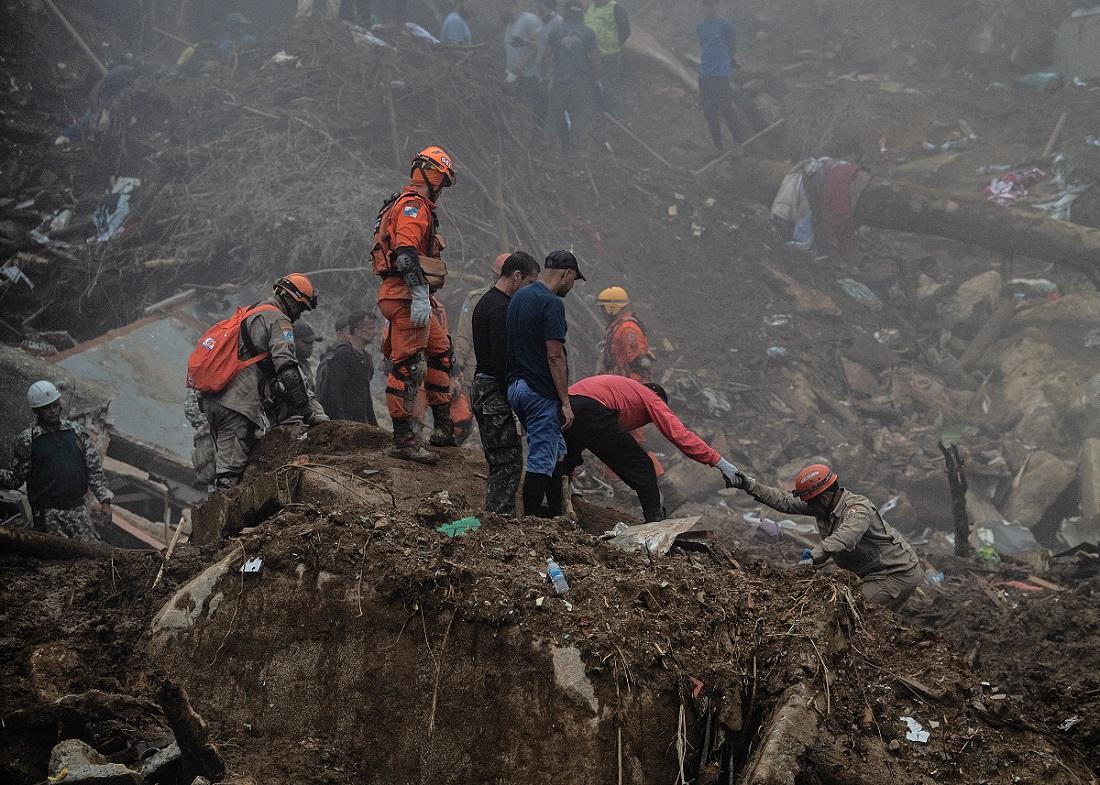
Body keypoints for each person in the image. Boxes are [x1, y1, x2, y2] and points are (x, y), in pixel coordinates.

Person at [728, 464, 923, 609]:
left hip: (896, 574)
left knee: (849, 610)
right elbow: (786, 502)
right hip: (874, 573)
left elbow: (846, 536)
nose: (808, 506)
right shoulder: (824, 505)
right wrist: (750, 485)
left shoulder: (857, 509)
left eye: (810, 502)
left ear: (823, 497)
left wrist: (815, 555)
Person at [370, 145, 458, 463]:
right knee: (407, 366)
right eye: (443, 181)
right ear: (433, 176)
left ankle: (443, 429)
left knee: (440, 352)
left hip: (406, 294)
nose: (443, 189)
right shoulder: (413, 207)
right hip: (404, 295)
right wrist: (420, 294)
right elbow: (406, 254)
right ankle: (404, 440)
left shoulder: (408, 204)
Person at [549, 376, 740, 521]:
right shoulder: (651, 397)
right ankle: (654, 521)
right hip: (592, 409)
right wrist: (720, 463)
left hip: (566, 405)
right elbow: (680, 435)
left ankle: (552, 510)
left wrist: (569, 475)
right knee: (643, 466)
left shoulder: (622, 390)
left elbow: (583, 434)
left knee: (565, 460)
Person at [203, 274, 328, 488]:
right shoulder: (278, 320)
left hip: (215, 397)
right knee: (230, 475)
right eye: (301, 308)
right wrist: (308, 412)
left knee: (229, 464)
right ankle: (225, 505)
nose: (299, 314)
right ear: (292, 300)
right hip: (236, 403)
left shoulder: (252, 311)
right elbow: (288, 371)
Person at [507, 249, 585, 516]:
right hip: (539, 390)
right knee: (540, 457)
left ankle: (555, 513)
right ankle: (530, 520)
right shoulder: (552, 303)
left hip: (516, 387)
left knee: (556, 448)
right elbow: (554, 355)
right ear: (567, 273)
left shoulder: (519, 297)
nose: (572, 286)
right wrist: (565, 402)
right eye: (574, 279)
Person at [0, 381, 113, 542]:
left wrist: (105, 501)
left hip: (78, 511)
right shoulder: (28, 440)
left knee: (92, 552)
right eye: (47, 408)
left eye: (55, 405)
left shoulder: (75, 432)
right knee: (57, 554)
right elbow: (15, 479)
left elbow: (93, 469)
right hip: (48, 514)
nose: (53, 411)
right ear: (37, 411)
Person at [471, 252, 540, 514]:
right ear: (517, 276)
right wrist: (515, 400)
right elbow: (501, 360)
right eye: (530, 283)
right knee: (507, 461)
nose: (531, 290)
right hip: (493, 391)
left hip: (485, 387)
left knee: (501, 459)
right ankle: (499, 518)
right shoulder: (501, 308)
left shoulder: (487, 302)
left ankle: (496, 516)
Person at [696, 0, 759, 151]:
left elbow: (732, 46)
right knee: (710, 112)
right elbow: (704, 45)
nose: (709, 8)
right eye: (706, 5)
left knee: (726, 108)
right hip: (705, 75)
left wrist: (726, 62)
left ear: (717, 6)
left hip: (720, 74)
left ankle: (738, 144)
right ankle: (719, 148)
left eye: (711, 4)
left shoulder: (725, 25)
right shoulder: (700, 27)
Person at [452, 253, 510, 412]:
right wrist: (458, 368)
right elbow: (464, 336)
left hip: (507, 378)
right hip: (475, 374)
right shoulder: (476, 299)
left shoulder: (520, 302)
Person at [546, 1, 599, 152]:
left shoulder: (555, 31)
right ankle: (573, 149)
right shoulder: (588, 33)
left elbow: (546, 55)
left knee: (553, 115)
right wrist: (596, 78)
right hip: (581, 82)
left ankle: (547, 146)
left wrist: (545, 75)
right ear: (581, 13)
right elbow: (595, 58)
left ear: (566, 12)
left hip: (560, 81)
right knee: (579, 115)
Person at [316, 311, 379, 425]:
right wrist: (341, 423)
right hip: (343, 422)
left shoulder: (367, 358)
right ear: (357, 331)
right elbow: (333, 392)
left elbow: (366, 396)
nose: (375, 332)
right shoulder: (343, 354)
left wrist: (374, 425)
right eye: (370, 328)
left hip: (359, 422)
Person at [595, 286, 654, 382]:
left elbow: (638, 365)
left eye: (603, 308)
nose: (602, 312)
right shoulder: (617, 326)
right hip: (618, 381)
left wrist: (632, 386)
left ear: (612, 307)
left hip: (628, 384)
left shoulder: (627, 329)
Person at [583, 0, 629, 118]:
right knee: (594, 86)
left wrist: (613, 44)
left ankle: (616, 115)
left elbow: (625, 31)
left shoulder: (615, 8)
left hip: (609, 55)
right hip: (590, 56)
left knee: (611, 86)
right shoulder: (589, 8)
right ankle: (599, 114)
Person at [503, 0, 544, 133]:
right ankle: (511, 135)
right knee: (509, 107)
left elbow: (539, 46)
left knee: (534, 109)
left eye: (506, 5)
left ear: (515, 6)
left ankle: (537, 137)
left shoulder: (529, 20)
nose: (504, 10)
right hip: (513, 75)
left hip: (529, 75)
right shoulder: (510, 24)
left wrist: (519, 67)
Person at [293, 321, 323, 394]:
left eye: (312, 343)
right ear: (293, 341)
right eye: (306, 342)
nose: (311, 347)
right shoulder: (289, 366)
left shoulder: (305, 364)